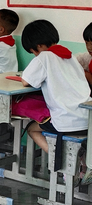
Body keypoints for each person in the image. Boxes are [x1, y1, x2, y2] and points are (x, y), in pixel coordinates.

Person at [21, 20, 91, 159]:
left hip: (66, 121)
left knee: (31, 129)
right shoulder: (70, 56)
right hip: (88, 118)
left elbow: (25, 81)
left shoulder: (44, 56)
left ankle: (60, 160)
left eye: (33, 52)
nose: (35, 55)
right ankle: (78, 160)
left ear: (39, 46)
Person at [75, 22, 92, 89]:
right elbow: (75, 60)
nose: (89, 47)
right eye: (86, 43)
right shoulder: (88, 58)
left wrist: (88, 76)